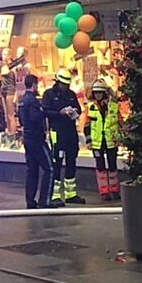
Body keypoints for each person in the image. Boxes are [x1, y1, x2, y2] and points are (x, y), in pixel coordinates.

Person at [42, 69, 84, 205]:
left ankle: (71, 194)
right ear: (57, 82)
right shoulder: (49, 94)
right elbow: (46, 111)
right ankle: (54, 195)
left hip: (70, 132)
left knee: (71, 161)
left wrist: (74, 111)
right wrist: (60, 113)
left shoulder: (71, 94)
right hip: (57, 132)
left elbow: (79, 108)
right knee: (57, 163)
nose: (65, 87)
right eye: (63, 84)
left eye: (67, 84)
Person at [16, 74, 57, 209]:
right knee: (50, 168)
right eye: (37, 85)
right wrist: (44, 115)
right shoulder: (32, 100)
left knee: (32, 170)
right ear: (34, 85)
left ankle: (30, 200)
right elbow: (35, 117)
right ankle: (44, 200)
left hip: (27, 137)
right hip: (36, 139)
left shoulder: (22, 100)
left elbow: (22, 120)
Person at [84, 80, 121, 201]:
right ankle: (104, 191)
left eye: (100, 93)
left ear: (105, 93)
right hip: (97, 142)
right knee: (100, 166)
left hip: (111, 141)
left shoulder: (113, 107)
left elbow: (119, 123)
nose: (98, 95)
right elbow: (87, 126)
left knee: (112, 166)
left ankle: (115, 191)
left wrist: (119, 138)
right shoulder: (90, 108)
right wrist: (88, 141)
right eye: (96, 93)